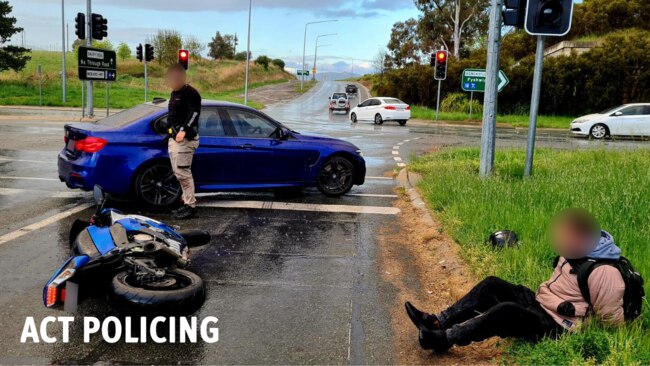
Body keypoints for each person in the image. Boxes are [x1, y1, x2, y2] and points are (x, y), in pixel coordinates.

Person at [405, 208, 626, 353]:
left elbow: (612, 322)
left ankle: (445, 338)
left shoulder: (604, 272)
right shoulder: (577, 253)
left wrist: (584, 337)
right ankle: (438, 322)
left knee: (507, 311)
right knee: (493, 285)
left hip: (557, 326)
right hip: (542, 304)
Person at [165, 63, 201, 219]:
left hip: (185, 140)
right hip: (174, 140)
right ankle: (186, 202)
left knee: (183, 173)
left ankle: (191, 206)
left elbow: (194, 114)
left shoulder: (191, 93)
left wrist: (183, 130)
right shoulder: (175, 92)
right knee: (178, 173)